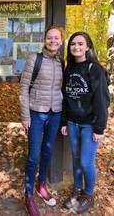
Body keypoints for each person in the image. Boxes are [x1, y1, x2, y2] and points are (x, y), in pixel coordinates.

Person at [61, 31, 110, 214]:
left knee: (86, 162)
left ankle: (89, 195)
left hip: (90, 125)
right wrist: (65, 121)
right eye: (73, 44)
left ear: (88, 47)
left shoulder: (94, 69)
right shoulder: (70, 69)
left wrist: (99, 128)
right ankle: (77, 190)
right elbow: (66, 97)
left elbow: (101, 101)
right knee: (75, 160)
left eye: (81, 44)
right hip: (73, 123)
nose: (76, 47)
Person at [19, 26, 65, 216]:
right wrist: (25, 116)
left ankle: (41, 186)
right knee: (34, 156)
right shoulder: (34, 59)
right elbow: (23, 88)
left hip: (55, 113)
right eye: (49, 38)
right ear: (44, 40)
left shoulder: (61, 62)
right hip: (36, 113)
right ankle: (28, 196)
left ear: (61, 41)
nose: (53, 41)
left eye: (56, 38)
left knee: (47, 151)